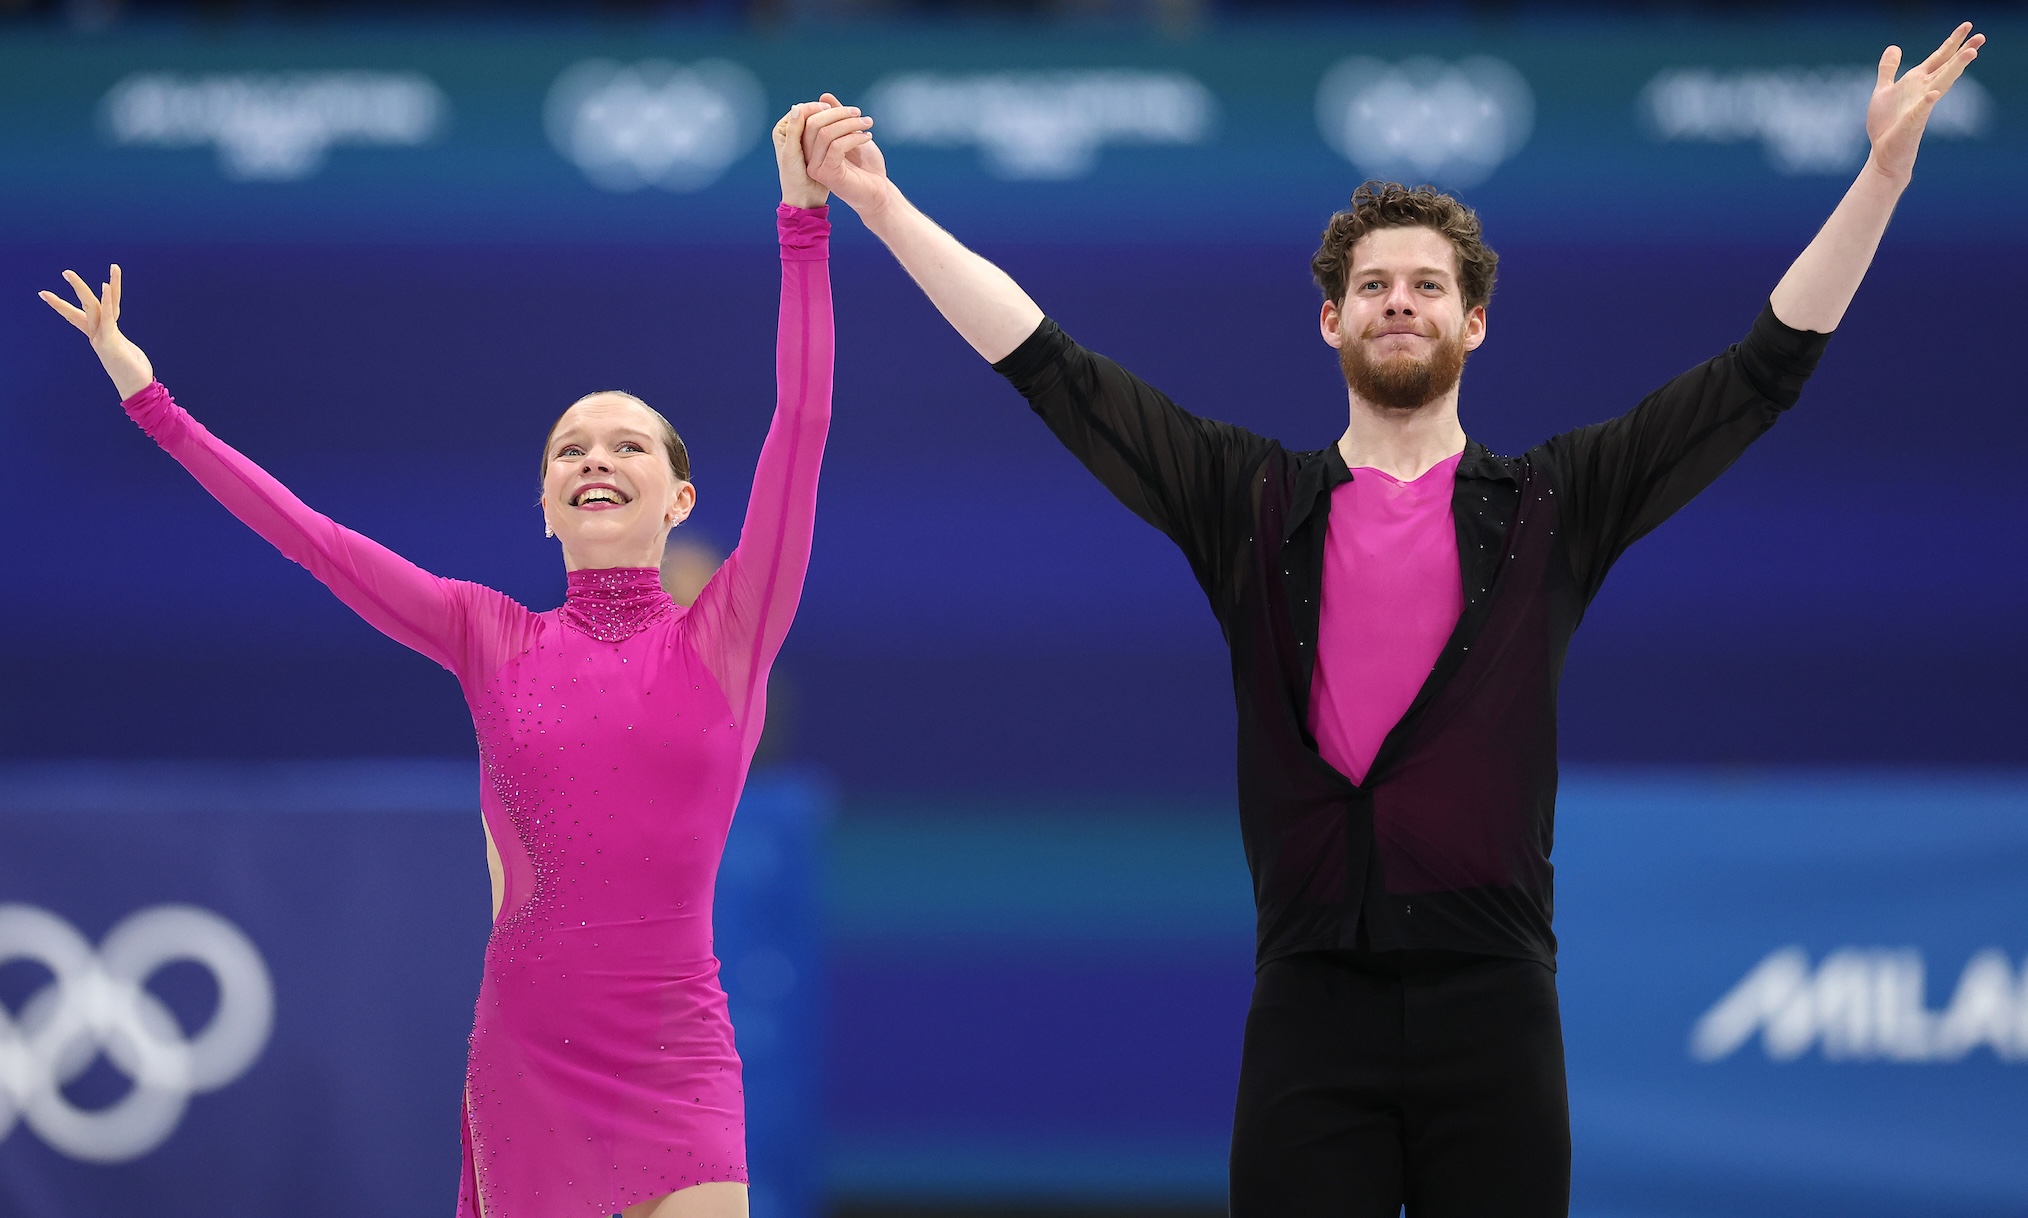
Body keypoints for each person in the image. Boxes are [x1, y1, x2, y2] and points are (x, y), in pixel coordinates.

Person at [797, 22, 1983, 1218]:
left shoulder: (1555, 509)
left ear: (1474, 324)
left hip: (1496, 1007)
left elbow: (1763, 372)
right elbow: (1049, 365)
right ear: (1332, 323)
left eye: (1428, 287)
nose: (1399, 303)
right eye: (1373, 287)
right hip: (1309, 1006)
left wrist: (1880, 174)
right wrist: (886, 210)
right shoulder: (1245, 500)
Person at [41, 98, 872, 1218]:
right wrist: (156, 406)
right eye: (570, 447)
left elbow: (802, 420)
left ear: (678, 497)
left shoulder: (731, 631)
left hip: (679, 1044)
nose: (596, 456)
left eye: (628, 444)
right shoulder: (490, 636)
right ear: (543, 505)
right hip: (529, 1053)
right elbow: (316, 544)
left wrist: (803, 222)